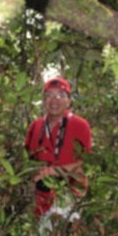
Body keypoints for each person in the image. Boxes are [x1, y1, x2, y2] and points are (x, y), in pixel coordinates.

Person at [24, 77, 92, 226]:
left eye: (60, 95)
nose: (54, 100)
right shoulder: (35, 126)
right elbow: (26, 161)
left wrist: (54, 171)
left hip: (69, 194)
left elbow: (85, 165)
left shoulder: (80, 125)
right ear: (43, 100)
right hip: (40, 197)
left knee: (61, 234)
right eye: (49, 95)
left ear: (69, 101)